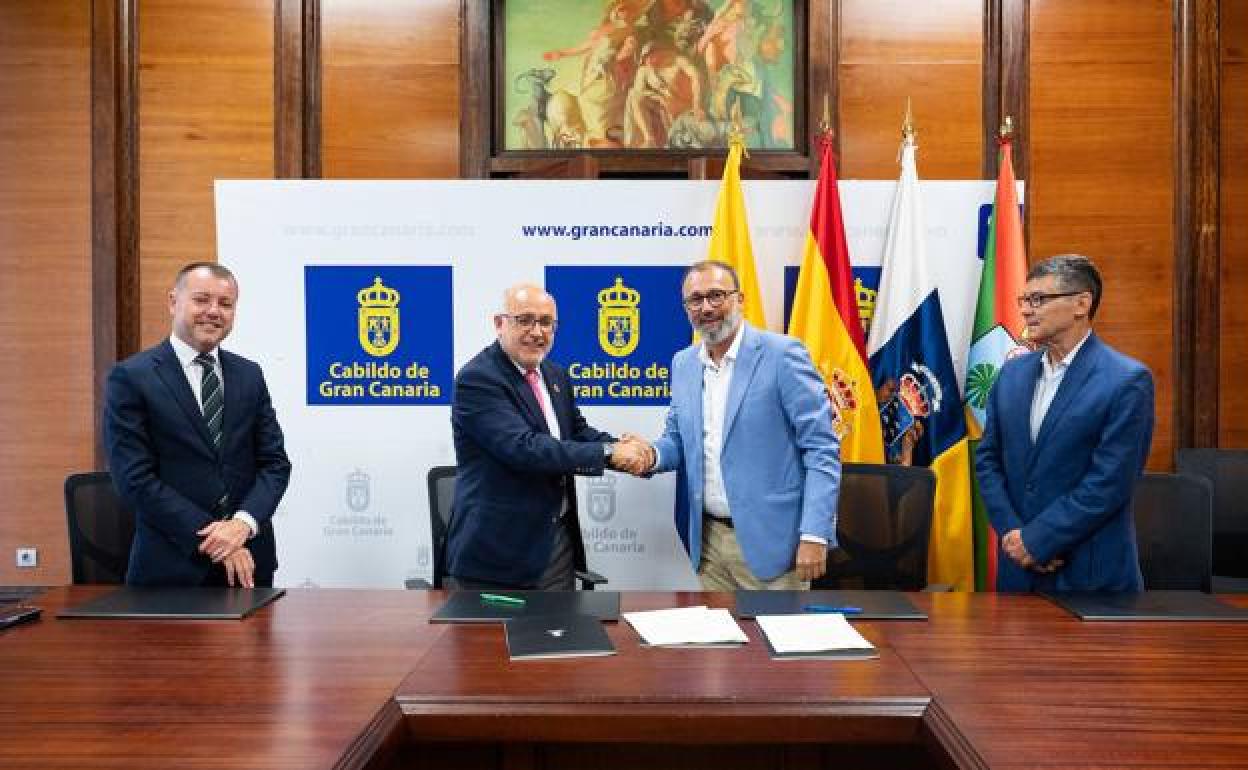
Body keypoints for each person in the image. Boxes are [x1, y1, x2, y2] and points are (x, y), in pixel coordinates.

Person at [635, 260, 842, 590]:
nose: (706, 307)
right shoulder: (684, 363)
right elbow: (678, 438)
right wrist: (649, 455)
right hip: (708, 545)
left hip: (775, 546)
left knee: (773, 641)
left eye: (716, 295)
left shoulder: (782, 355)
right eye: (695, 299)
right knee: (722, 642)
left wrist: (815, 533)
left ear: (740, 299)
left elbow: (821, 449)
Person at [444, 284, 650, 590]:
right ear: (500, 324)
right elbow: (525, 449)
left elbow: (577, 433)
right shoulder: (478, 379)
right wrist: (609, 453)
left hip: (556, 544)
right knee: (493, 639)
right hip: (498, 554)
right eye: (525, 320)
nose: (537, 331)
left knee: (558, 635)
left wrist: (632, 451)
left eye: (546, 323)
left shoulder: (554, 374)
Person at [104, 263, 291, 588]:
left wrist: (241, 525)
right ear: (173, 302)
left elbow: (275, 464)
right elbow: (134, 478)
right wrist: (218, 540)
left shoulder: (249, 375)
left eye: (225, 304)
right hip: (171, 570)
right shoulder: (132, 377)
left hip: (249, 567)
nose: (213, 312)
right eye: (202, 299)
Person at [976, 254, 1154, 592]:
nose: (1026, 310)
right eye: (1024, 300)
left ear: (1081, 304)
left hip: (1089, 577)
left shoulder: (1126, 380)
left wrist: (1040, 540)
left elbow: (1109, 483)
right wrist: (1015, 535)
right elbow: (988, 460)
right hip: (1018, 574)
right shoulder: (1011, 373)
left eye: (1038, 299)